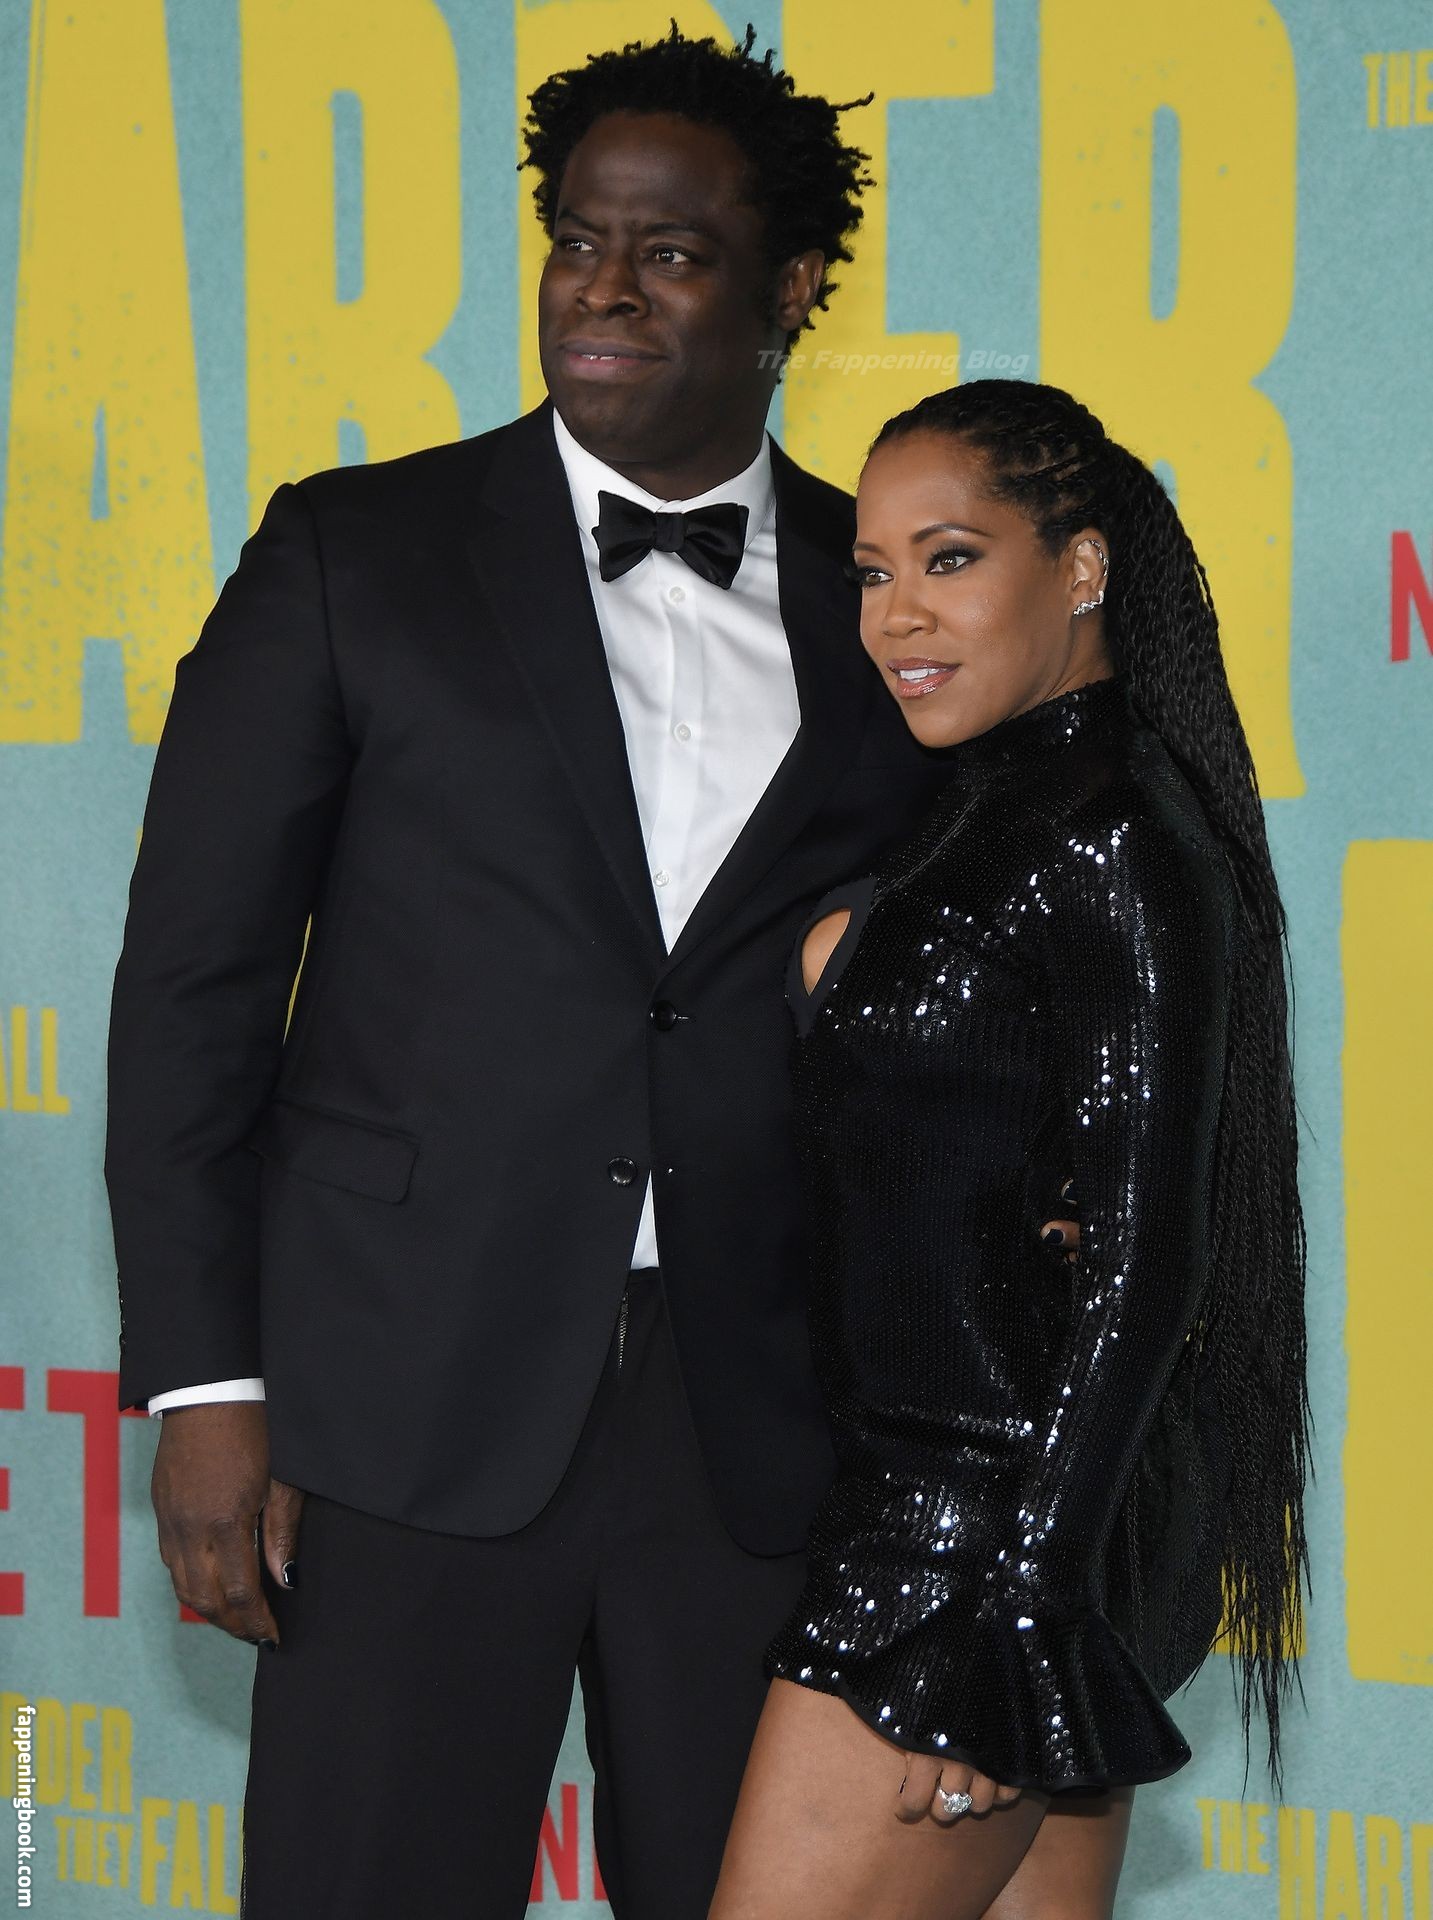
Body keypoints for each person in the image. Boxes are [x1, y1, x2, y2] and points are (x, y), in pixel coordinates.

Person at [104, 31, 1079, 1920]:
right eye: (576, 241)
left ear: (794, 287)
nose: (604, 291)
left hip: (768, 1423)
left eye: (673, 252)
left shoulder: (888, 592)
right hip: (400, 1393)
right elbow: (193, 989)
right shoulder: (353, 552)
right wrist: (206, 1385)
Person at [709, 380, 1311, 1920]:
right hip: (993, 1520)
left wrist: (1023, 1607)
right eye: (871, 571)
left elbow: (1144, 1253)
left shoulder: (1106, 833)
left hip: (977, 1542)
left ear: (1083, 567)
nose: (896, 614)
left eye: (950, 559)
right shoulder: (990, 810)